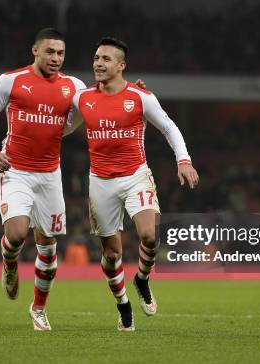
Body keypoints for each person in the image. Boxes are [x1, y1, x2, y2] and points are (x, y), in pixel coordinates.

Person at [67, 37, 199, 331]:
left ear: (121, 65)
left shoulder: (140, 97)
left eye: (106, 59)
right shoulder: (83, 98)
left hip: (135, 175)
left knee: (149, 235)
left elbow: (168, 126)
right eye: (96, 58)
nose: (99, 64)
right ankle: (123, 305)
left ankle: (141, 278)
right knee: (111, 254)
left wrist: (184, 160)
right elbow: (63, 128)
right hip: (100, 182)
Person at [0, 28, 86, 331]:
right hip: (15, 171)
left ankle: (38, 308)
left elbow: (91, 109)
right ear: (35, 51)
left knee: (48, 245)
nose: (56, 58)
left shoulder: (73, 86)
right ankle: (10, 263)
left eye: (61, 53)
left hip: (50, 174)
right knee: (16, 234)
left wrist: (134, 93)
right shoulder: (10, 81)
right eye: (50, 52)